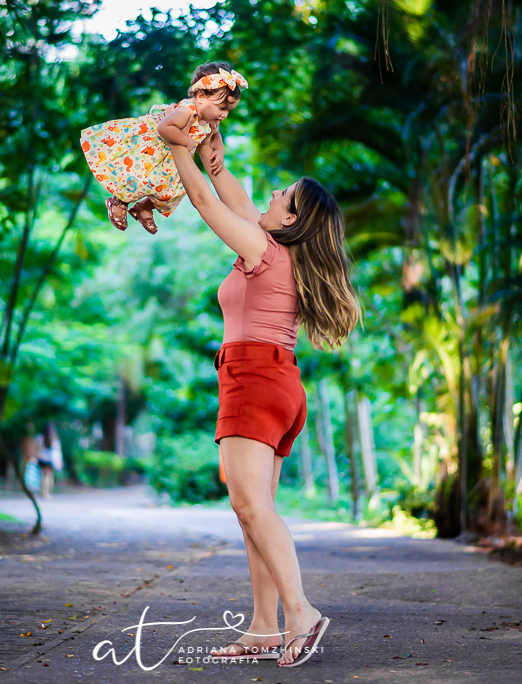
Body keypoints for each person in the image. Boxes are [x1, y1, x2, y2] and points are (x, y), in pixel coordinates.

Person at [161, 126, 360, 667]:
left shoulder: (262, 249)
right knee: (255, 510)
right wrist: (212, 155)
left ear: (292, 219)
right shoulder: (278, 250)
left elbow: (203, 199)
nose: (272, 196)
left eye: (283, 196)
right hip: (279, 381)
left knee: (249, 506)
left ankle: (301, 613)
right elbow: (231, 194)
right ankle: (262, 628)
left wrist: (175, 143)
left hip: (252, 378)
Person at [79, 61, 246, 234]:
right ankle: (119, 201)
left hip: (174, 160)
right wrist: (187, 141)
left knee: (174, 192)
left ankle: (143, 207)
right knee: (141, 178)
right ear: (202, 96)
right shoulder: (186, 110)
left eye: (229, 110)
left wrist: (219, 151)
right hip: (154, 150)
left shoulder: (211, 120)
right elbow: (164, 127)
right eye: (222, 108)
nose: (224, 114)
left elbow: (215, 136)